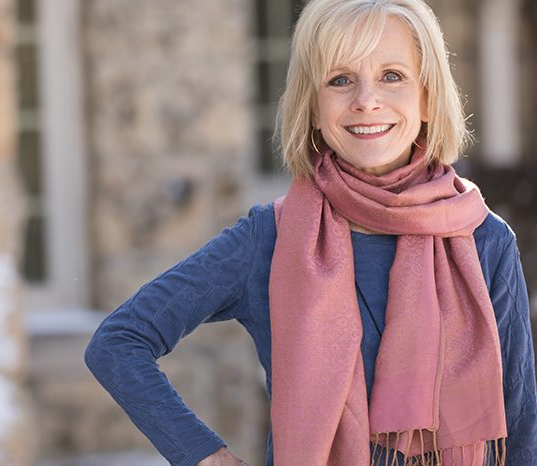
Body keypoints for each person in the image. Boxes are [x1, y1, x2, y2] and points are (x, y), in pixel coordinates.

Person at [84, 0, 537, 464]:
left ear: (427, 98)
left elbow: (521, 427)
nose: (366, 100)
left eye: (392, 76)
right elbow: (118, 343)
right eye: (340, 80)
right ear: (313, 107)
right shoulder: (271, 239)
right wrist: (206, 456)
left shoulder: (485, 240)